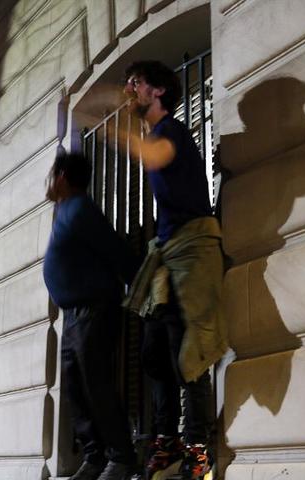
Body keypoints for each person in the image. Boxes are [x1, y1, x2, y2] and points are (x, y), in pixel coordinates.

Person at [121, 60, 229, 480]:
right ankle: (166, 443)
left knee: (190, 353)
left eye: (137, 83)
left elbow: (157, 154)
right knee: (154, 353)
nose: (129, 89)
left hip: (192, 249)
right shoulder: (156, 136)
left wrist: (107, 122)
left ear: (160, 91)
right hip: (167, 252)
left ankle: (197, 448)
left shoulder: (172, 132)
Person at [43, 151, 140, 480]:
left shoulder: (80, 208)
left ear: (62, 177)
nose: (48, 181)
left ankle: (122, 457)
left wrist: (143, 287)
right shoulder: (65, 210)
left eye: (51, 175)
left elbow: (116, 251)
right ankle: (95, 456)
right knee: (75, 390)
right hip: (73, 315)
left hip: (94, 309)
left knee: (96, 386)